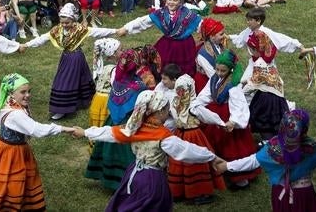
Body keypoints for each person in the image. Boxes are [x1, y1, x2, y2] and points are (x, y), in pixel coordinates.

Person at [72, 90, 219, 211]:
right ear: (160, 111)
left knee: (130, 204)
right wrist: (210, 156)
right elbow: (186, 151)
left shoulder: (134, 128)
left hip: (133, 173)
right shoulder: (162, 136)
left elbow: (109, 133)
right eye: (167, 109)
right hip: (152, 179)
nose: (169, 112)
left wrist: (85, 132)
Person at [0, 73, 75, 211]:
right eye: (23, 92)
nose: (27, 95)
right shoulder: (16, 114)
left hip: (4, 148)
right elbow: (36, 130)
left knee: (10, 181)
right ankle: (9, 206)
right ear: (11, 93)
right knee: (12, 182)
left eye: (29, 91)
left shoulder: (10, 104)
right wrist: (63, 128)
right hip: (11, 153)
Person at [214, 109, 316, 212]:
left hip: (281, 193)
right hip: (304, 194)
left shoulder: (274, 146)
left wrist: (227, 166)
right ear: (305, 128)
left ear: (283, 126)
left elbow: (252, 161)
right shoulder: (311, 147)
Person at [22, 3, 120, 120]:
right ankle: (75, 103)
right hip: (66, 57)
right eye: (62, 22)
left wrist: (115, 30)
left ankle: (63, 108)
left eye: (67, 22)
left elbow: (97, 32)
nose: (64, 25)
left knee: (66, 81)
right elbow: (43, 38)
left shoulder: (79, 29)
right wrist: (27, 44)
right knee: (74, 79)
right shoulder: (58, 30)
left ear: (73, 20)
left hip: (76, 57)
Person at [190, 50, 261, 190]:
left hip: (228, 115)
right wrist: (196, 104)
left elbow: (238, 105)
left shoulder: (233, 85)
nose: (219, 72)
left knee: (233, 146)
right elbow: (207, 94)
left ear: (230, 70)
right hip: (216, 114)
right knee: (214, 142)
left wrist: (234, 121)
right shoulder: (214, 79)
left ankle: (240, 179)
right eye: (217, 69)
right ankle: (218, 170)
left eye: (223, 70)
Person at [85, 48, 147, 190]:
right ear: (137, 65)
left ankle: (108, 178)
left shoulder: (117, 82)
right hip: (129, 125)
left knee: (108, 148)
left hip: (113, 121)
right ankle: (128, 181)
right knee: (127, 154)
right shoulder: (139, 86)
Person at [167, 74, 226, 204]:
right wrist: (222, 124)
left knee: (182, 162)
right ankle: (195, 191)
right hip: (192, 136)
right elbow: (209, 116)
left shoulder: (174, 102)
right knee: (195, 162)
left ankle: (187, 191)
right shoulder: (193, 105)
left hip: (181, 135)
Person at [119, 0, 202, 77]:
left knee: (184, 69)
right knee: (162, 64)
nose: (171, 2)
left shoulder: (187, 13)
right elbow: (144, 21)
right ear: (166, 0)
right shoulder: (161, 13)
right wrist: (126, 28)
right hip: (168, 44)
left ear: (180, 2)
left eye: (175, 0)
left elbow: (200, 24)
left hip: (184, 46)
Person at [89, 38, 121, 129]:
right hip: (107, 99)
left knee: (98, 121)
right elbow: (115, 85)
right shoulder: (114, 69)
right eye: (121, 50)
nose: (123, 51)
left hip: (98, 98)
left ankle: (96, 138)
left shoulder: (101, 64)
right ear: (113, 54)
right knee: (107, 122)